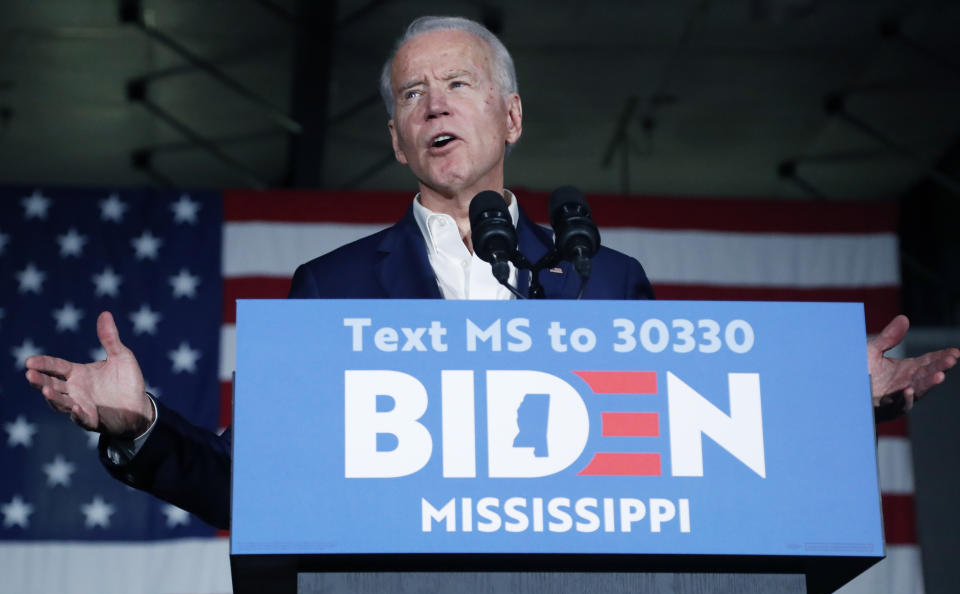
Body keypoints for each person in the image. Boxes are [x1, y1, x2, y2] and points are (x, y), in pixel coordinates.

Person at [24, 17, 960, 531]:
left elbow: (692, 446)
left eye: (459, 84)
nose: (436, 104)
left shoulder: (606, 278)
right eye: (412, 96)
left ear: (510, 116)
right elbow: (259, 481)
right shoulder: (330, 288)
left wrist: (838, 409)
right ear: (395, 139)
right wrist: (141, 427)